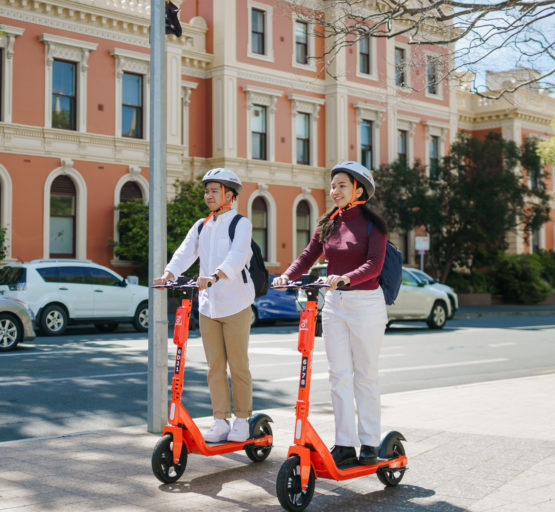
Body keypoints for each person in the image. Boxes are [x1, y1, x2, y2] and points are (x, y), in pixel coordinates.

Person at [273, 161, 388, 466]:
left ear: (358, 189)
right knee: (338, 376)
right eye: (333, 185)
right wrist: (287, 276)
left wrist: (348, 277)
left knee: (365, 376)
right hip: (335, 305)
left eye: (341, 185)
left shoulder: (373, 225)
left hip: (366, 304)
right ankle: (345, 443)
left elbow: (375, 265)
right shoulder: (328, 223)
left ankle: (370, 443)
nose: (334, 191)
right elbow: (308, 255)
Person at [153, 168, 256, 443]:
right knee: (214, 367)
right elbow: (186, 251)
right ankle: (220, 420)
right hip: (209, 306)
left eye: (214, 191)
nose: (208, 195)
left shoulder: (240, 223)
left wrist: (215, 276)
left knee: (238, 365)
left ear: (229, 195)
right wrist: (168, 274)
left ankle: (243, 419)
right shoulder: (202, 225)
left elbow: (239, 255)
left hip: (236, 303)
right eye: (207, 190)